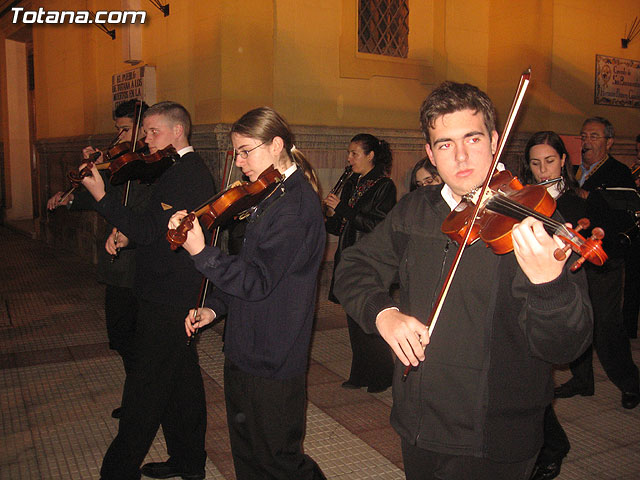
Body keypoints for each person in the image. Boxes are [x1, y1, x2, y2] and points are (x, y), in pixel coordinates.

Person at [333, 81, 593, 480]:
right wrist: (383, 313)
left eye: (472, 138)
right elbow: (354, 266)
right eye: (444, 144)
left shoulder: (537, 222)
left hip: (494, 435)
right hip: (418, 420)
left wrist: (550, 285)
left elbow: (565, 345)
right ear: (430, 154)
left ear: (494, 140)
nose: (461, 156)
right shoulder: (416, 209)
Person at [168, 107, 327, 480]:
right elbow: (249, 262)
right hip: (246, 344)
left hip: (273, 352)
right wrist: (215, 308)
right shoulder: (270, 194)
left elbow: (257, 280)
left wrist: (201, 253)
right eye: (235, 153)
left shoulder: (295, 205)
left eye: (245, 151)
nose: (239, 163)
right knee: (248, 453)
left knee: (278, 460)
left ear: (275, 145)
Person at [80, 101, 216, 480]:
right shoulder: (171, 169)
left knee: (143, 390)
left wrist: (102, 197)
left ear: (178, 131)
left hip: (171, 296)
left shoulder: (188, 174)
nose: (146, 139)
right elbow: (155, 228)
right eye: (146, 132)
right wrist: (127, 232)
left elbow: (149, 229)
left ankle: (118, 471)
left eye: (153, 131)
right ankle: (188, 462)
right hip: (163, 290)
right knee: (181, 385)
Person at [46, 99, 152, 419]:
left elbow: (136, 210)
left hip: (134, 266)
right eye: (117, 129)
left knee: (132, 337)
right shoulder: (124, 163)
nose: (118, 137)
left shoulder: (149, 165)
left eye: (124, 129)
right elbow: (104, 196)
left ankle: (143, 400)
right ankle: (139, 396)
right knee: (122, 337)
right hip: (118, 265)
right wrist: (69, 198)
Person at [554, 116, 640, 410]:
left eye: (594, 136)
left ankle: (631, 384)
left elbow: (626, 211)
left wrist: (586, 195)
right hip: (577, 257)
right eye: (584, 136)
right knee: (578, 321)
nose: (587, 142)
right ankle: (582, 380)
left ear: (609, 142)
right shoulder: (576, 171)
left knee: (606, 325)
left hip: (605, 259)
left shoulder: (618, 173)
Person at [519, 131, 588, 480]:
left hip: (556, 292)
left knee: (535, 381)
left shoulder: (575, 202)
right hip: (520, 289)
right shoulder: (524, 196)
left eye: (549, 161)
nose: (543, 169)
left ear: (563, 160)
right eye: (535, 163)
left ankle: (552, 447)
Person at [324, 133, 397, 393]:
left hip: (371, 259)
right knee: (353, 317)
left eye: (355, 153)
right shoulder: (353, 182)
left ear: (370, 156)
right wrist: (327, 216)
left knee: (370, 317)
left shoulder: (384, 186)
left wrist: (342, 208)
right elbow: (342, 226)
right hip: (349, 255)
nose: (349, 158)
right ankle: (360, 373)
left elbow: (376, 224)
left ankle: (382, 375)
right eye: (349, 153)